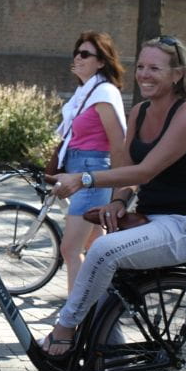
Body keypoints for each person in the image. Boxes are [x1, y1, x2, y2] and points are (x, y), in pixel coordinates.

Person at [47, 36, 186, 371]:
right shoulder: (140, 112)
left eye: (154, 68)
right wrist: (119, 201)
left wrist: (85, 179)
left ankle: (63, 330)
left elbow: (146, 169)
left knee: (100, 251)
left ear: (176, 74)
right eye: (140, 66)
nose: (144, 74)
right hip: (151, 219)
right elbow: (131, 176)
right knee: (100, 295)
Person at [55, 32, 127, 291]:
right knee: (94, 246)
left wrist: (120, 189)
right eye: (77, 51)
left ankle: (74, 315)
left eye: (85, 53)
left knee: (70, 248)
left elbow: (118, 144)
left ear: (101, 62)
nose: (78, 57)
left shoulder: (104, 93)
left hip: (92, 176)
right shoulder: (84, 92)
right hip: (79, 173)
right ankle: (103, 299)